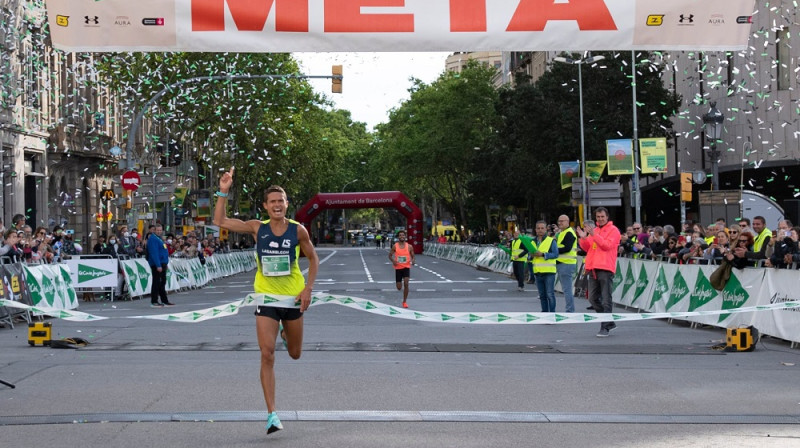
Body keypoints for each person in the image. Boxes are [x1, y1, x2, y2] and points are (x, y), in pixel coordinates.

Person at [213, 168, 318, 435]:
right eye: (272, 202)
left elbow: (313, 259)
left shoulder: (298, 230)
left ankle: (286, 332)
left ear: (286, 204)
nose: (277, 205)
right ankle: (272, 414)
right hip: (266, 297)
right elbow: (220, 220)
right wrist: (223, 190)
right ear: (265, 206)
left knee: (295, 354)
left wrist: (307, 289)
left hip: (293, 298)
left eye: (280, 201)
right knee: (266, 353)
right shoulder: (257, 228)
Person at [576, 207, 621, 338]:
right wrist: (583, 238)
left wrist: (594, 235)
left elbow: (606, 246)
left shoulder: (614, 231)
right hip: (593, 267)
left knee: (606, 298)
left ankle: (605, 325)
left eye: (602, 216)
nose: (600, 219)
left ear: (607, 217)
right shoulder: (595, 230)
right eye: (598, 217)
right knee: (592, 298)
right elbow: (587, 248)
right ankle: (608, 321)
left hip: (606, 268)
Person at [532, 221, 558, 312]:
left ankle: (552, 314)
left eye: (542, 228)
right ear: (535, 230)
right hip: (537, 272)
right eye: (538, 228)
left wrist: (543, 255)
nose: (540, 230)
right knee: (542, 295)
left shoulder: (551, 240)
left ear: (545, 229)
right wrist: (530, 256)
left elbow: (555, 254)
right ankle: (545, 313)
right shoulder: (532, 241)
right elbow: (529, 256)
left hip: (549, 271)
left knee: (550, 294)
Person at [146, 224, 173, 307]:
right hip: (157, 264)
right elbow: (154, 253)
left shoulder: (159, 239)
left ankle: (164, 300)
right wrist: (158, 265)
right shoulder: (153, 239)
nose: (159, 231)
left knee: (162, 282)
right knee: (156, 282)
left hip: (162, 263)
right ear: (154, 230)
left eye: (160, 230)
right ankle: (154, 301)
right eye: (157, 230)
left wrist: (166, 263)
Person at [555, 215, 578, 312]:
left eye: (562, 221)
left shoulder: (569, 233)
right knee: (566, 289)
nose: (560, 223)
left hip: (566, 263)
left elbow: (567, 248)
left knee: (567, 289)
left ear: (568, 222)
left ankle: (570, 310)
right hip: (564, 263)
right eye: (559, 221)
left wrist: (554, 251)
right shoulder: (563, 232)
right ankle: (569, 309)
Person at [389, 230, 415, 308]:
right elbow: (390, 255)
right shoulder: (395, 246)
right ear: (398, 237)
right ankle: (399, 286)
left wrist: (413, 260)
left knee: (406, 284)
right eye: (400, 235)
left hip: (406, 267)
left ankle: (404, 301)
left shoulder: (409, 246)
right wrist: (393, 261)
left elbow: (413, 256)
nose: (402, 237)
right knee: (399, 287)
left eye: (403, 235)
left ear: (405, 236)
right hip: (398, 268)